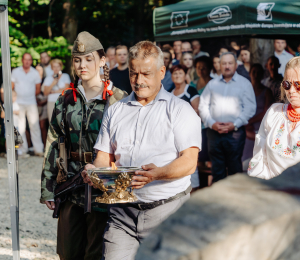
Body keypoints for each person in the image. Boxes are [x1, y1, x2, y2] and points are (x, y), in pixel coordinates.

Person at [82, 40, 202, 259]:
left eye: (146, 74)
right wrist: (95, 173)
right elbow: (103, 158)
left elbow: (189, 162)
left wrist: (157, 174)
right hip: (121, 215)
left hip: (168, 213)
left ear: (162, 71)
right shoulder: (116, 110)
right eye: (133, 73)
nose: (138, 81)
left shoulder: (180, 110)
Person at [40, 31, 127, 260]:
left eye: (89, 59)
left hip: (104, 189)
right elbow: (53, 141)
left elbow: (128, 148)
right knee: (68, 252)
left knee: (97, 252)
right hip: (71, 185)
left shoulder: (117, 99)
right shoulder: (66, 99)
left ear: (102, 61)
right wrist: (48, 188)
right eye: (77, 60)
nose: (82, 65)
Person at [199, 52, 256, 182]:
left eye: (230, 63)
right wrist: (211, 123)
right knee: (217, 169)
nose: (227, 66)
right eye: (224, 63)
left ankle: (234, 200)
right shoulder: (212, 84)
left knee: (234, 168)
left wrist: (235, 124)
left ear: (236, 65)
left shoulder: (244, 83)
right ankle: (217, 199)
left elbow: (250, 108)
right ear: (219, 65)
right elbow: (202, 106)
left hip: (235, 133)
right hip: (213, 132)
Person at [248, 57, 300, 179]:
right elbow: (259, 155)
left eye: (298, 85)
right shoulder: (274, 112)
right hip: (270, 189)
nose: (291, 91)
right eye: (287, 84)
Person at [169, 64, 200, 190]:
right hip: (174, 134)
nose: (177, 76)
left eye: (180, 73)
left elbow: (196, 111)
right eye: (175, 73)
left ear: (185, 75)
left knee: (191, 161)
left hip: (189, 132)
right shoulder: (170, 93)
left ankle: (196, 190)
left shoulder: (191, 90)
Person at [11, 53, 44, 157]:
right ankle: (22, 150)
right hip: (18, 103)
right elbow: (11, 87)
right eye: (25, 59)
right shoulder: (15, 72)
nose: (27, 61)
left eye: (29, 60)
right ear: (22, 60)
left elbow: (38, 89)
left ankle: (38, 150)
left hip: (31, 102)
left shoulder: (35, 73)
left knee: (35, 126)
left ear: (31, 61)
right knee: (20, 127)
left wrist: (28, 95)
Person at [242, 64, 273, 168]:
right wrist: (245, 124)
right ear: (250, 73)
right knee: (244, 160)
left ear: (262, 75)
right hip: (246, 127)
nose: (256, 75)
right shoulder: (244, 91)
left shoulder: (266, 92)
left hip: (260, 127)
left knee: (259, 160)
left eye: (258, 72)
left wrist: (249, 122)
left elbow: (266, 112)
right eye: (254, 72)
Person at [36, 51, 53, 146]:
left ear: (49, 57)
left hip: (49, 99)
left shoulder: (52, 69)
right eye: (42, 57)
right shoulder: (37, 70)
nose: (44, 59)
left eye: (45, 57)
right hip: (39, 99)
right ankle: (43, 145)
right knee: (41, 124)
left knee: (49, 123)